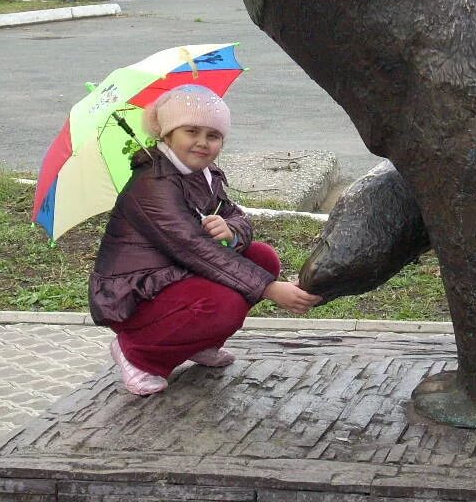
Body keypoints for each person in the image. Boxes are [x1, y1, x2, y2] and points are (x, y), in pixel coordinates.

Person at [89, 83, 322, 396]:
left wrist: (231, 229)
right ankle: (137, 352)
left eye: (213, 135)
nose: (202, 142)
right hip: (136, 294)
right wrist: (269, 288)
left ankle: (196, 342)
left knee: (262, 257)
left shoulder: (202, 173)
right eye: (191, 131)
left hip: (176, 275)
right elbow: (195, 248)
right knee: (223, 305)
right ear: (166, 134)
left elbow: (237, 215)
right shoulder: (152, 184)